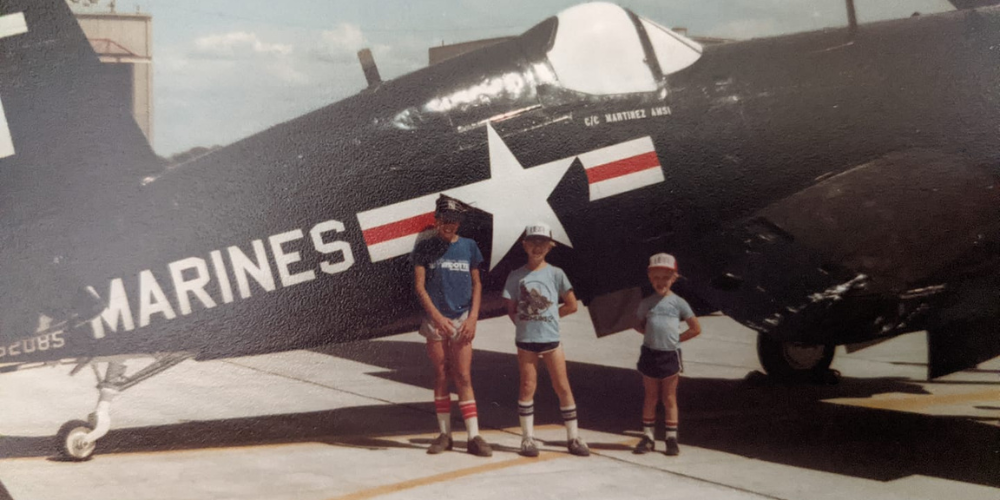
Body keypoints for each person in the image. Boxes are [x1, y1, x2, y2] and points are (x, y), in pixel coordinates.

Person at [412, 197, 492, 457]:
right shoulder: (425, 246)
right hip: (437, 321)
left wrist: (472, 318)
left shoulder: (469, 247)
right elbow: (420, 286)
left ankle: (474, 435)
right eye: (444, 220)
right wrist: (436, 317)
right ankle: (445, 434)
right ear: (436, 220)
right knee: (441, 374)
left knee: (464, 376)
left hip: (461, 320)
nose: (449, 226)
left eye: (454, 221)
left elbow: (477, 284)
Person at [502, 223, 589, 458]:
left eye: (542, 243)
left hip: (551, 340)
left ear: (550, 247)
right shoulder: (516, 275)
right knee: (527, 386)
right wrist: (526, 323)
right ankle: (527, 438)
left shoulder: (556, 274)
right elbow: (511, 309)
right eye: (532, 242)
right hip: (526, 340)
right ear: (524, 245)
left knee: (562, 387)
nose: (537, 247)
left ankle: (573, 437)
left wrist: (549, 317)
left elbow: (571, 305)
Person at [632, 253, 701, 456]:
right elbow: (637, 324)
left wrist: (676, 340)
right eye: (656, 277)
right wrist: (651, 335)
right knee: (650, 396)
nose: (660, 282)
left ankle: (671, 438)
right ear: (650, 277)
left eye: (665, 277)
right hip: (650, 354)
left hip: (670, 356)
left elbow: (695, 328)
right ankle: (648, 437)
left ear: (674, 278)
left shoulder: (679, 303)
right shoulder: (647, 303)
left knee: (669, 398)